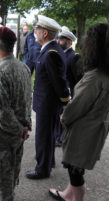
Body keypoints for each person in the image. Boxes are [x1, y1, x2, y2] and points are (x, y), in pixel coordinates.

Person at [49, 23, 109, 201]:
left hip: (85, 130)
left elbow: (78, 106)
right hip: (95, 127)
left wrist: (64, 116)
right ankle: (67, 194)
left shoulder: (94, 77)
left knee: (75, 170)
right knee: (76, 165)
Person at [0, 27, 32, 201]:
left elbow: (1, 112)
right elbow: (28, 99)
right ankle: (6, 191)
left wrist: (20, 128)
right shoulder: (24, 67)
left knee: (2, 175)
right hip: (18, 133)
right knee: (12, 169)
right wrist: (26, 125)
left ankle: (5, 194)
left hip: (2, 136)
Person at [25, 15, 70, 180]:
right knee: (48, 135)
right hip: (47, 102)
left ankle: (42, 169)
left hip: (47, 103)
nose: (34, 32)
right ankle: (48, 161)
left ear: (44, 33)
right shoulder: (49, 49)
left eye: (37, 30)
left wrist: (65, 102)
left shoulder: (51, 53)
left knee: (43, 136)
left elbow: (58, 83)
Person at [55, 26, 83, 147]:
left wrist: (74, 94)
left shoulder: (74, 56)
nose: (58, 41)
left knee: (66, 115)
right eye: (59, 39)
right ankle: (58, 136)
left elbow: (78, 78)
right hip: (60, 90)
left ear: (69, 42)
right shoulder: (59, 54)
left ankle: (63, 137)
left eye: (61, 40)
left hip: (70, 91)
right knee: (59, 114)